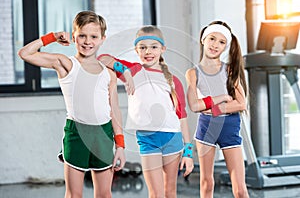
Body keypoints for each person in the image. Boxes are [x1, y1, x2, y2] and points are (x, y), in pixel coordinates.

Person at [18, 11, 131, 198]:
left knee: (104, 194)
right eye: (82, 36)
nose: (88, 41)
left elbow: (114, 111)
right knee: (74, 194)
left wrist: (120, 146)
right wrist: (52, 37)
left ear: (102, 39)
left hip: (103, 135)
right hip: (76, 133)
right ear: (73, 37)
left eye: (93, 36)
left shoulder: (108, 74)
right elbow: (25, 53)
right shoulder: (66, 64)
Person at [98, 25, 194, 198]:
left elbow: (182, 116)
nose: (148, 51)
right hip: (148, 139)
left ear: (162, 49)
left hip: (172, 137)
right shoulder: (135, 70)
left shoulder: (174, 81)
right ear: (136, 50)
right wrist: (125, 72)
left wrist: (188, 152)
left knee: (169, 191)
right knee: (155, 193)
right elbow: (102, 58)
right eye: (142, 47)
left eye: (153, 47)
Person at [185, 21, 249, 198]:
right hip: (206, 129)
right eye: (212, 39)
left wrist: (214, 109)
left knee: (240, 189)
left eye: (221, 42)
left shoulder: (229, 70)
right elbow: (194, 105)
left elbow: (241, 104)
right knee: (206, 183)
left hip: (229, 127)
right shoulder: (193, 73)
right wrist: (223, 101)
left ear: (226, 47)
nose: (215, 45)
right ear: (203, 39)